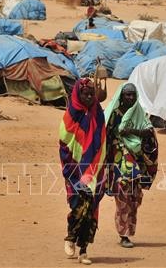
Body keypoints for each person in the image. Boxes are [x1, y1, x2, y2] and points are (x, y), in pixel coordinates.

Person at [59, 78, 108, 265]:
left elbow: (101, 139)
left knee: (91, 209)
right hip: (74, 168)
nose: (88, 97)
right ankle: (71, 237)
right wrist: (74, 166)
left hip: (94, 167)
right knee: (79, 206)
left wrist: (95, 165)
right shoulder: (70, 116)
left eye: (91, 94)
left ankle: (84, 250)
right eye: (85, 94)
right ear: (77, 95)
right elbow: (64, 142)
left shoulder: (98, 114)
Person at [104, 83, 158, 248]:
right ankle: (123, 234)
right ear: (121, 96)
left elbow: (149, 132)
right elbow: (106, 133)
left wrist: (131, 132)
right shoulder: (114, 114)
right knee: (122, 195)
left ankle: (128, 232)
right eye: (127, 95)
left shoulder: (138, 112)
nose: (130, 98)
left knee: (134, 197)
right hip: (119, 159)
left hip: (136, 159)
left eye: (133, 95)